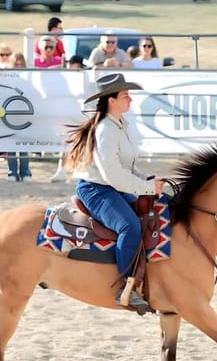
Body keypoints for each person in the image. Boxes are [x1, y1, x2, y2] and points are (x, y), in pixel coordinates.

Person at [66, 73, 164, 313]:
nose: (130, 99)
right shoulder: (106, 130)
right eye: (125, 95)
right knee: (129, 226)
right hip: (97, 189)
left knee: (154, 212)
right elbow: (112, 174)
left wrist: (147, 179)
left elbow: (126, 167)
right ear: (111, 100)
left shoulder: (119, 125)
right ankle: (125, 289)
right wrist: (148, 188)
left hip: (110, 186)